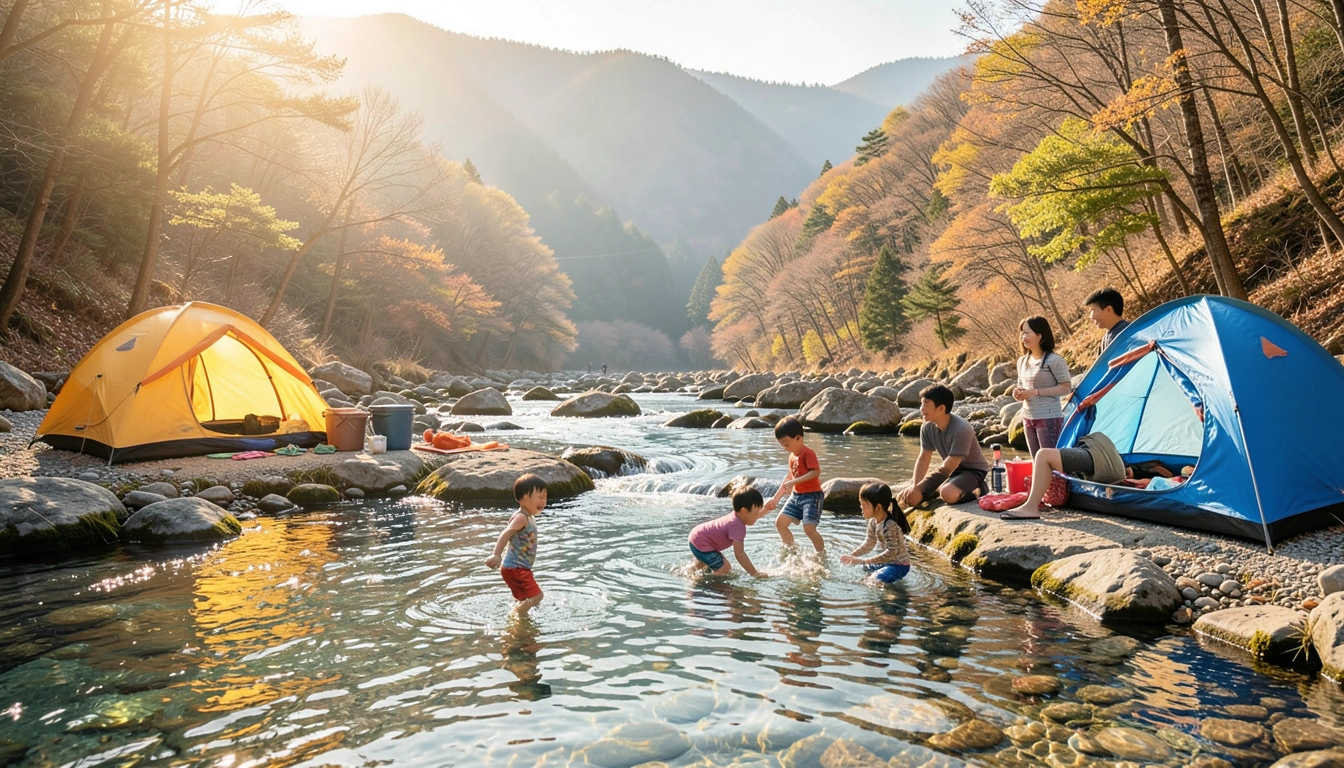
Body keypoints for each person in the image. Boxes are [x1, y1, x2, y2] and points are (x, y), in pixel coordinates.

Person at [897, 384, 990, 509]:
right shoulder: (927, 426)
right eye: (921, 404)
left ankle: (977, 490)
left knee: (947, 494)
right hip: (953, 472)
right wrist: (915, 486)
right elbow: (924, 458)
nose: (921, 409)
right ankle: (942, 487)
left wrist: (921, 488)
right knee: (910, 498)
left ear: (941, 408)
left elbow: (947, 468)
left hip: (973, 471)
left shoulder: (961, 429)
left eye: (926, 404)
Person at [1000, 432, 1126, 520]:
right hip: (1110, 459)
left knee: (1043, 455)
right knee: (1045, 456)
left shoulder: (1077, 409)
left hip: (1096, 452)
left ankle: (1030, 507)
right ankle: (1031, 505)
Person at [485, 474, 547, 612]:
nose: (544, 501)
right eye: (540, 497)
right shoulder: (521, 517)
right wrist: (496, 554)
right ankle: (517, 614)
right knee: (537, 596)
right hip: (516, 568)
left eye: (545, 497)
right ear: (525, 498)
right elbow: (506, 533)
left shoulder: (528, 516)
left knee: (524, 598)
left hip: (517, 568)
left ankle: (519, 624)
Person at [1014, 316, 1073, 456]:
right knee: (1036, 462)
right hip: (1028, 417)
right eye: (1022, 333)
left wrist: (1035, 392)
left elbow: (1066, 388)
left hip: (1048, 418)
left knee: (1050, 464)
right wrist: (1018, 393)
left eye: (1027, 333)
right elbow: (1021, 385)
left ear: (1040, 335)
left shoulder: (1054, 360)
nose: (1023, 337)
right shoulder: (1022, 361)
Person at [765, 416, 826, 553]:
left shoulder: (807, 453)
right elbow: (788, 478)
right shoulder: (792, 456)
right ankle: (791, 551)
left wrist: (795, 481)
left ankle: (821, 554)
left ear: (798, 438)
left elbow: (815, 472)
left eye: (786, 444)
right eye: (782, 445)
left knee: (809, 528)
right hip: (796, 496)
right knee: (780, 523)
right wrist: (775, 499)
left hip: (812, 496)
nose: (785, 448)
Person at [840, 482, 912, 583]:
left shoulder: (889, 525)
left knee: (875, 580)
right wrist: (852, 555)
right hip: (886, 562)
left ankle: (892, 595)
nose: (861, 507)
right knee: (863, 569)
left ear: (878, 507)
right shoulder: (873, 521)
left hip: (899, 565)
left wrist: (863, 561)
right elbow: (869, 543)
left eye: (864, 505)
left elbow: (892, 552)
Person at [688, 487, 770, 576]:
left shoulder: (737, 517)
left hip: (696, 536)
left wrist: (767, 509)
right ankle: (713, 586)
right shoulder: (737, 526)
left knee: (704, 563)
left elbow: (751, 517)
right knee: (724, 567)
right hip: (700, 542)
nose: (758, 514)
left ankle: (689, 573)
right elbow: (740, 554)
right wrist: (755, 573)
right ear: (744, 511)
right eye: (757, 511)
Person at [1086, 287, 1130, 353]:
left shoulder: (1126, 334)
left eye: (1093, 310)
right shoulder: (1107, 337)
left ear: (1108, 310)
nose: (1091, 316)